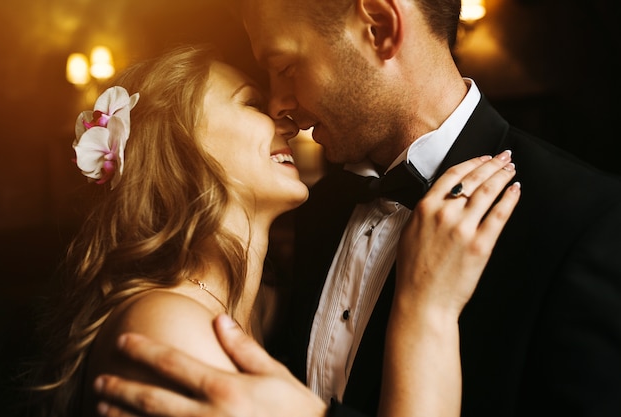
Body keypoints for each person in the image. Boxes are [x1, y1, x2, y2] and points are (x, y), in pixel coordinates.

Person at [91, 0, 621, 416]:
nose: (281, 106)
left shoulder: (584, 224)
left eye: (285, 64)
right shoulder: (314, 213)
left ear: (379, 27)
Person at [22, 43, 519, 417]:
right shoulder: (167, 326)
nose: (287, 120)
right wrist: (426, 310)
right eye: (251, 103)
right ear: (180, 150)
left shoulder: (243, 314)